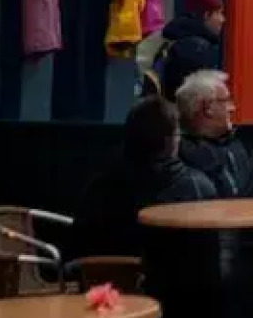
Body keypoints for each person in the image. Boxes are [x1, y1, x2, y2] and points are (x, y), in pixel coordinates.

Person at [72, 97, 216, 257]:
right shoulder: (198, 189)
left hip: (98, 279)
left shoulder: (99, 185)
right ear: (171, 141)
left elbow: (78, 247)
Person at [176, 70, 253, 198]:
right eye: (226, 101)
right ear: (208, 108)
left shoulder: (241, 148)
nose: (233, 108)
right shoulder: (180, 156)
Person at [151, 0, 226, 101]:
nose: (222, 20)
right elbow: (198, 101)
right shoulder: (197, 49)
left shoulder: (176, 40)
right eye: (219, 13)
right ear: (206, 15)